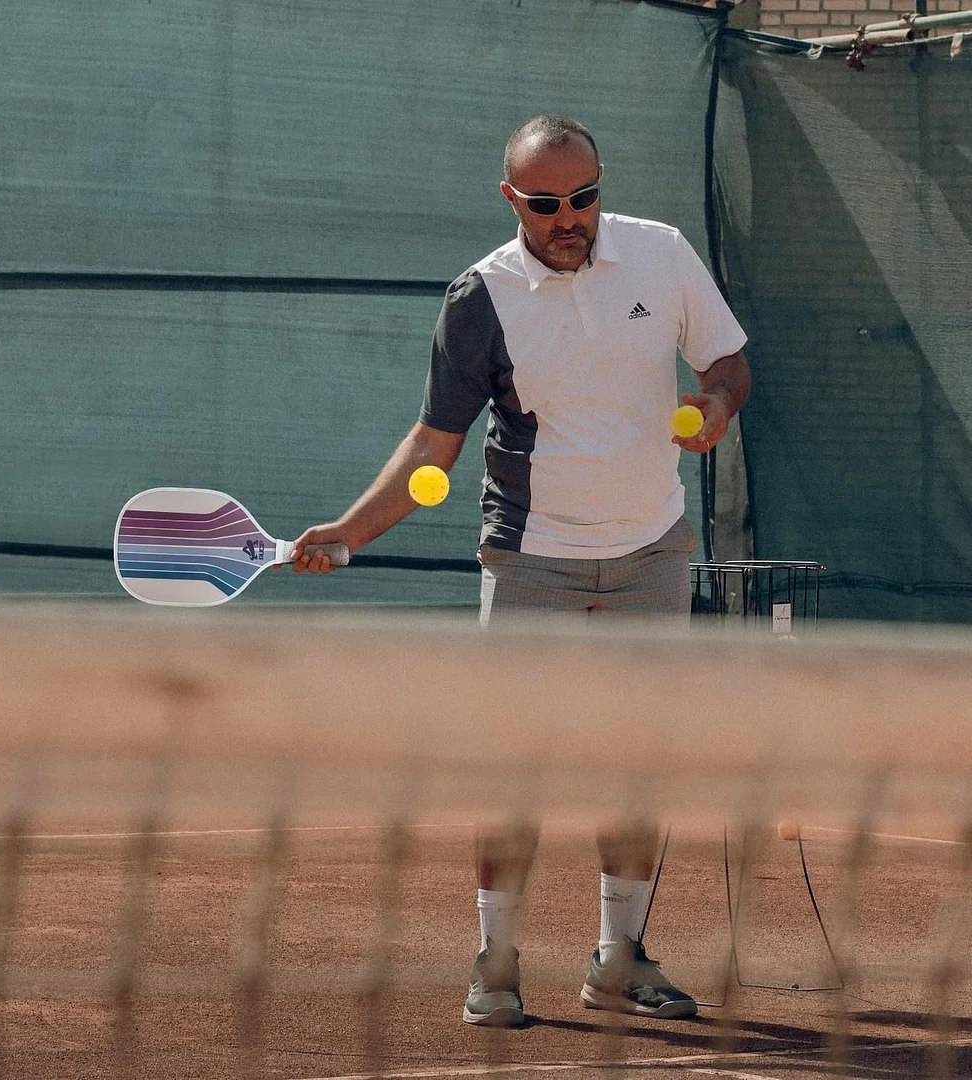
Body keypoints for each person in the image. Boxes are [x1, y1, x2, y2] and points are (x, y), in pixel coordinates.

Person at [287, 115, 750, 1026]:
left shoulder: (660, 255)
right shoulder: (479, 299)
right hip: (531, 560)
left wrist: (717, 399)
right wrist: (348, 531)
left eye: (584, 196)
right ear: (513, 201)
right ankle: (496, 960)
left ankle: (620, 959)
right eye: (547, 203)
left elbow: (730, 360)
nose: (570, 217)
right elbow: (434, 444)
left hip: (653, 552)